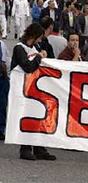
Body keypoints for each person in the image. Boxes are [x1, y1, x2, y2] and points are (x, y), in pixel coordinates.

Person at [11, 23, 56, 161]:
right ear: (34, 35)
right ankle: (25, 148)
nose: (41, 40)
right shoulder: (19, 48)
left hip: (35, 88)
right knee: (26, 117)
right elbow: (28, 67)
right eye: (39, 37)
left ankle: (38, 148)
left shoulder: (34, 48)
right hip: (22, 88)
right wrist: (39, 57)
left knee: (38, 116)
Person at [0, 32, 8, 140]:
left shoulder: (2, 45)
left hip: (2, 76)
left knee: (2, 104)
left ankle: (1, 129)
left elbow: (6, 60)